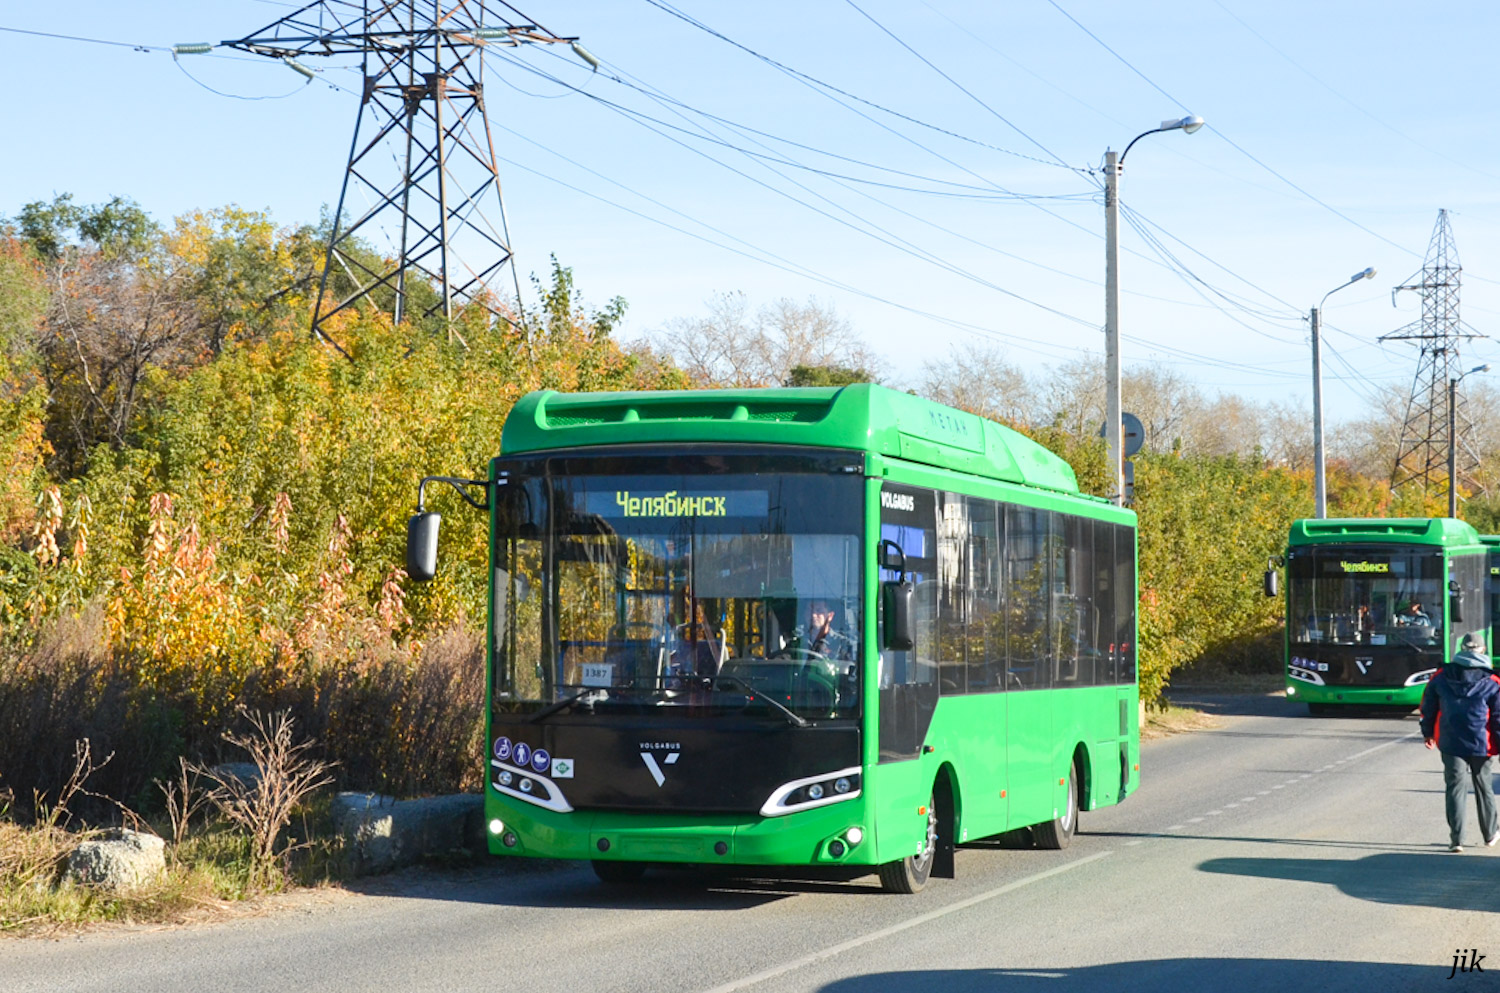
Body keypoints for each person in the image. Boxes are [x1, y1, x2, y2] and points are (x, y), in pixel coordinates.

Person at [1419, 632, 1500, 852]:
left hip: (1450, 740)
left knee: (1455, 787)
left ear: (1462, 649)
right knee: (1484, 786)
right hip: (1481, 742)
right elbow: (1497, 717)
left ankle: (1456, 839)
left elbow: (1428, 706)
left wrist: (1428, 733)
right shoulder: (1492, 680)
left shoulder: (1442, 675)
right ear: (1482, 650)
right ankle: (1490, 833)